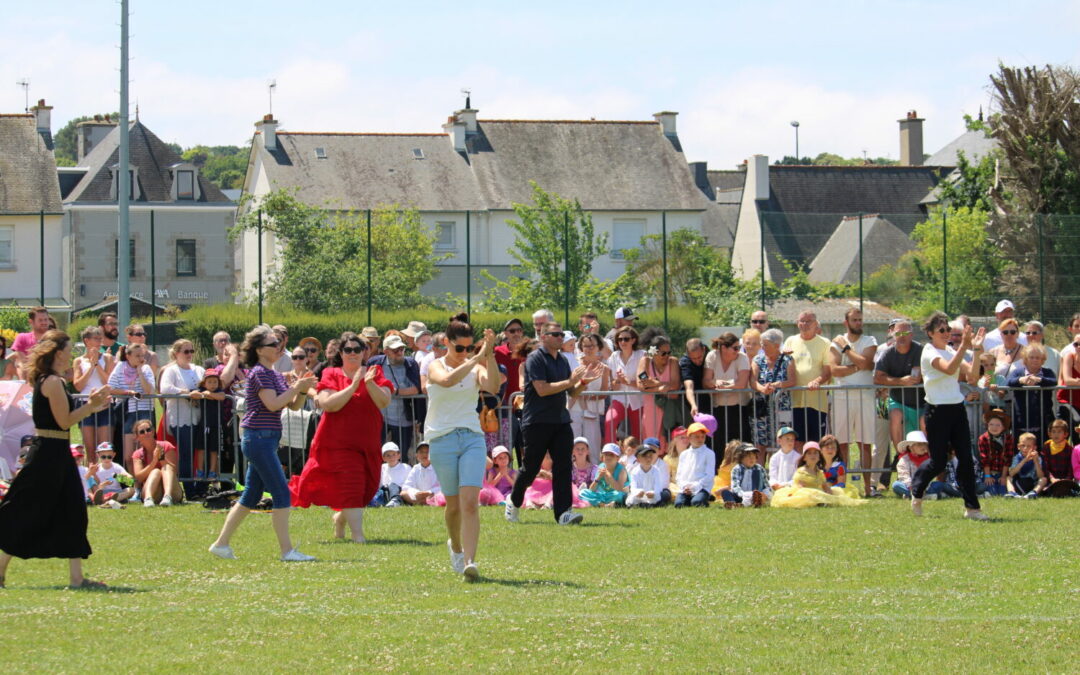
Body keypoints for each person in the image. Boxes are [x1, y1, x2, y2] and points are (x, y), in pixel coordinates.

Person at [0, 329, 111, 589]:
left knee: (72, 510)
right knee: (29, 511)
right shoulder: (52, 382)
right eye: (69, 349)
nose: (71, 353)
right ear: (58, 353)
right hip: (48, 454)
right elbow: (64, 421)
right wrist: (91, 405)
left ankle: (77, 578)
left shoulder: (52, 380)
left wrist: (92, 404)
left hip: (56, 452)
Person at [209, 325, 318, 562]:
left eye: (279, 342)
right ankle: (287, 551)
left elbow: (293, 406)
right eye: (273, 344)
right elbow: (273, 404)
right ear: (259, 350)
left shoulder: (274, 374)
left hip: (265, 439)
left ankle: (221, 544)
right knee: (281, 493)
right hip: (258, 438)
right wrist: (296, 387)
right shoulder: (259, 373)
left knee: (251, 495)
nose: (279, 347)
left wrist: (302, 390)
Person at [289, 332, 392, 541]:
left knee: (365, 488)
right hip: (337, 442)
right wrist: (353, 386)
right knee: (352, 485)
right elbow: (328, 404)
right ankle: (358, 536)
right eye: (348, 350)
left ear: (364, 352)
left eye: (357, 349)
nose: (353, 353)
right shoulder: (331, 373)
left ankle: (340, 519)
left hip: (367, 442)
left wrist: (369, 383)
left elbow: (384, 402)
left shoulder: (375, 372)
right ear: (341, 353)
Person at [423, 314, 499, 579]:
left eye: (469, 347)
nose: (464, 352)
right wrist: (476, 359)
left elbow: (493, 386)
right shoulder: (434, 365)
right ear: (446, 342)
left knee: (470, 503)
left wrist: (489, 354)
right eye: (459, 347)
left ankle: (470, 561)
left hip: (471, 437)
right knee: (453, 506)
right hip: (441, 439)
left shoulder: (475, 365)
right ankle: (455, 546)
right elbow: (446, 381)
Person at [506, 321, 600, 525]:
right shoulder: (535, 358)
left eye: (561, 335)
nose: (560, 338)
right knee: (530, 469)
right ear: (544, 337)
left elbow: (571, 392)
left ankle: (563, 513)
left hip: (561, 421)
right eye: (556, 335)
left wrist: (583, 382)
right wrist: (570, 381)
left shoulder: (563, 360)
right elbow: (542, 389)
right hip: (537, 421)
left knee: (563, 466)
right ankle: (514, 501)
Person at [909, 313, 988, 520]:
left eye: (948, 330)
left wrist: (975, 350)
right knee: (938, 462)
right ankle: (917, 490)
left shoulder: (951, 350)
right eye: (942, 330)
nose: (946, 334)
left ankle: (972, 508)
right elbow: (950, 368)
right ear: (930, 333)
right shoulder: (929, 352)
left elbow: (972, 376)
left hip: (956, 409)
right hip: (937, 411)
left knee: (966, 459)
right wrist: (964, 346)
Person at [828, 308, 878, 487]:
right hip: (842, 397)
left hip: (865, 397)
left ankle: (868, 487)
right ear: (846, 322)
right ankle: (843, 485)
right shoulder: (836, 342)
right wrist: (858, 366)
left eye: (860, 320)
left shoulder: (869, 340)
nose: (858, 323)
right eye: (854, 320)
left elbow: (866, 363)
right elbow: (834, 370)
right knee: (842, 444)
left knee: (865, 444)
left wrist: (847, 349)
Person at [873, 319, 924, 487]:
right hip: (897, 401)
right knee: (895, 416)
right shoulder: (887, 353)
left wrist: (919, 378)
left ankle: (927, 459)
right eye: (898, 333)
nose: (901, 337)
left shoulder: (920, 350)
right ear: (892, 334)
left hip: (921, 402)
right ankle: (901, 454)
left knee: (925, 423)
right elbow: (877, 378)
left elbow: (922, 375)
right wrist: (900, 381)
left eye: (905, 333)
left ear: (912, 334)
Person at [158, 339, 206, 498]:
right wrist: (187, 393)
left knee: (202, 453)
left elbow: (207, 386)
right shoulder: (171, 370)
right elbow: (165, 388)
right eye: (186, 351)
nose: (189, 354)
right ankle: (189, 490)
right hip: (180, 418)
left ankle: (201, 488)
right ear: (176, 353)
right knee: (186, 454)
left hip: (199, 417)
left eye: (191, 351)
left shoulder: (198, 369)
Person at [368, 333, 423, 464]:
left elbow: (416, 389)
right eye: (395, 350)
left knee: (401, 455)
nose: (400, 352)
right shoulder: (375, 362)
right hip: (379, 418)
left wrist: (395, 391)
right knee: (377, 453)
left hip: (403, 418)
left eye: (402, 349)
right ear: (386, 351)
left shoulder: (410, 363)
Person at [783, 311, 832, 448]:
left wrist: (817, 381)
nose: (804, 324)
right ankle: (799, 463)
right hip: (795, 402)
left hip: (816, 402)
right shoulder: (790, 341)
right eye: (802, 321)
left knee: (815, 443)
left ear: (816, 324)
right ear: (797, 323)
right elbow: (783, 365)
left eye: (808, 321)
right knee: (796, 442)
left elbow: (828, 372)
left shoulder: (825, 343)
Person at [106, 343, 156, 469]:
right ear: (128, 356)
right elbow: (110, 388)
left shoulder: (146, 369)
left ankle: (145, 478)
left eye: (142, 355)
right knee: (129, 456)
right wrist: (128, 392)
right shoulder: (120, 367)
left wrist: (140, 372)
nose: (140, 358)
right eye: (137, 356)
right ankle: (134, 480)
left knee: (144, 452)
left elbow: (148, 390)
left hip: (144, 411)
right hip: (127, 412)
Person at [771, 442, 863, 508]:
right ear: (804, 457)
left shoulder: (819, 472)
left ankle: (823, 501)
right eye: (809, 453)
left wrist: (830, 494)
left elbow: (825, 486)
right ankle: (819, 502)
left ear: (819, 456)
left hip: (817, 492)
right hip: (803, 494)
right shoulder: (801, 472)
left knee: (832, 492)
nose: (813, 456)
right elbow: (800, 488)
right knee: (810, 494)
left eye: (815, 453)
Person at [749, 328, 795, 458]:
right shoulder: (758, 360)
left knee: (782, 440)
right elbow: (752, 380)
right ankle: (760, 468)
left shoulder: (788, 360)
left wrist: (777, 385)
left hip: (782, 407)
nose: (762, 347)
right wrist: (762, 389)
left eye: (766, 345)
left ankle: (779, 468)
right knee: (760, 443)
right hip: (761, 408)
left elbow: (792, 380)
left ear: (776, 345)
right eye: (762, 344)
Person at [73, 326, 116, 462]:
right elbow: (78, 385)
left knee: (104, 448)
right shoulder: (78, 361)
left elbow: (108, 381)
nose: (99, 342)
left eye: (100, 339)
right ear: (87, 341)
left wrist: (97, 364)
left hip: (104, 403)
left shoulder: (107, 358)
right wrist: (90, 367)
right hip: (86, 404)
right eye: (96, 339)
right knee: (90, 449)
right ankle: (91, 473)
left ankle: (107, 473)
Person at [704, 332, 751, 455]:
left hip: (739, 408)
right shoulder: (712, 356)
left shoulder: (742, 357)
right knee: (718, 445)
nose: (738, 350)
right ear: (724, 348)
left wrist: (722, 385)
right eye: (735, 348)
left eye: (739, 347)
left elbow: (742, 383)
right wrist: (715, 383)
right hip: (718, 408)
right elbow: (706, 381)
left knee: (740, 445)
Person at [1007, 344, 1056, 447]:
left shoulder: (1048, 372)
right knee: (1022, 447)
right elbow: (1009, 382)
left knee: (1043, 446)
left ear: (1042, 360)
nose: (1035, 360)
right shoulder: (1018, 372)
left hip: (1043, 418)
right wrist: (1021, 380)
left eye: (1038, 358)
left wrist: (1039, 380)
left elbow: (1054, 381)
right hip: (1021, 418)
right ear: (1025, 359)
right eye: (1031, 357)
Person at [637, 335, 682, 445]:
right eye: (663, 353)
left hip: (670, 408)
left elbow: (675, 385)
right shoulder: (645, 361)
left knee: (669, 442)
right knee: (651, 443)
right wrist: (661, 388)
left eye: (669, 352)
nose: (667, 356)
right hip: (651, 409)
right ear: (654, 352)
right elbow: (642, 384)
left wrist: (655, 383)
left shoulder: (673, 362)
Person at [605, 326, 645, 443]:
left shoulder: (642, 355)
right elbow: (613, 386)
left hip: (638, 400)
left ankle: (638, 454)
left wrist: (627, 381)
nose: (623, 342)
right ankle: (610, 451)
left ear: (633, 340)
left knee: (638, 434)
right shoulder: (614, 356)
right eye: (620, 339)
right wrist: (618, 381)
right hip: (619, 399)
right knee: (609, 421)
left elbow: (644, 381)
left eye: (626, 339)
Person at [572, 334, 610, 461]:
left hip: (593, 411)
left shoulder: (604, 368)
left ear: (598, 346)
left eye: (592, 345)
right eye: (586, 346)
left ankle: (594, 471)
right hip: (575, 409)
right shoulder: (575, 364)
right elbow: (570, 389)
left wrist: (588, 396)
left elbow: (604, 393)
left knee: (593, 447)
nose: (589, 349)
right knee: (573, 444)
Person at [493, 318, 527, 458]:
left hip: (527, 407)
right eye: (512, 331)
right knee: (506, 448)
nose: (516, 333)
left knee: (527, 448)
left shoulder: (530, 351)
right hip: (504, 408)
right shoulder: (497, 352)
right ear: (505, 333)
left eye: (519, 330)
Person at [131, 418, 182, 507]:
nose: (146, 433)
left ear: (153, 431)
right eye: (142, 432)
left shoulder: (166, 445)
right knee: (155, 471)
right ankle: (148, 499)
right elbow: (139, 478)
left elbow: (175, 470)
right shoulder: (137, 454)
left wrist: (161, 458)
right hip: (152, 493)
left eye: (148, 430)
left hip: (173, 491)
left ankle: (167, 497)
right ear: (137, 437)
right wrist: (154, 461)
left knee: (167, 467)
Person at [890, 430, 944, 498]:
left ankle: (912, 496)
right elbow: (904, 476)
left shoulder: (928, 459)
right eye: (919, 444)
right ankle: (925, 496)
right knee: (896, 485)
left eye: (924, 444)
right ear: (910, 447)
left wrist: (923, 486)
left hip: (925, 486)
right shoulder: (904, 460)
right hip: (909, 486)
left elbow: (928, 476)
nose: (923, 447)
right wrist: (912, 487)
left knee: (939, 484)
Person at [673, 422, 715, 507]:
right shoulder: (684, 454)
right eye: (697, 437)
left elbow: (709, 475)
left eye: (702, 437)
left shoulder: (709, 453)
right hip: (686, 488)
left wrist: (695, 486)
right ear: (689, 438)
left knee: (696, 502)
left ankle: (704, 497)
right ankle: (696, 498)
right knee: (679, 504)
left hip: (702, 487)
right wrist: (684, 486)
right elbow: (679, 475)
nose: (700, 439)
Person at [977, 409, 1015, 497]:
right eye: (991, 424)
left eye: (998, 425)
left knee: (1003, 493)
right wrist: (987, 476)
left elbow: (1008, 458)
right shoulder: (983, 438)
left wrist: (1004, 476)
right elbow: (984, 458)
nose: (994, 427)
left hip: (1002, 472)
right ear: (987, 425)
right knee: (993, 493)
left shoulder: (1008, 438)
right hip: (989, 472)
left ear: (1003, 427)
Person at [1041, 419, 1079, 497]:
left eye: (1059, 432)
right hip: (1051, 479)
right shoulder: (1046, 447)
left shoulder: (1069, 449)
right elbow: (1045, 466)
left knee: (1064, 488)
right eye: (1053, 432)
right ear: (1049, 434)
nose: (1056, 434)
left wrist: (1067, 479)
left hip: (1065, 479)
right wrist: (1052, 478)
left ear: (1065, 434)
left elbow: (1070, 467)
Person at [11, 306, 51, 379]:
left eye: (46, 319)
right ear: (31, 322)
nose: (44, 322)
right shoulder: (22, 338)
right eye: (40, 320)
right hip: (29, 380)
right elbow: (23, 363)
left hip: (50, 380)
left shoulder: (54, 339)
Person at [1007, 433, 1047, 498]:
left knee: (1044, 479)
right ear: (1018, 446)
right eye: (1023, 445)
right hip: (1020, 482)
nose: (1025, 448)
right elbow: (1011, 473)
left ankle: (1033, 493)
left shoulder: (1038, 458)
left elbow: (1040, 476)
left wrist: (1036, 461)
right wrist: (1025, 460)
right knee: (1008, 478)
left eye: (1029, 446)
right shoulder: (1017, 458)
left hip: (1033, 483)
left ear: (1034, 447)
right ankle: (1012, 493)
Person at [680, 338, 711, 420]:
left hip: (711, 403)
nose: (697, 361)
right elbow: (689, 387)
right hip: (691, 405)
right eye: (693, 358)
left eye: (699, 357)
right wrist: (693, 405)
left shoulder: (711, 356)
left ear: (703, 350)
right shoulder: (685, 362)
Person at [373, 442, 410, 507]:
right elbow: (379, 484)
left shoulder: (406, 467)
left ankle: (395, 501)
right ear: (383, 458)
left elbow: (409, 484)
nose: (391, 457)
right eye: (388, 455)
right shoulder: (382, 468)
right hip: (385, 492)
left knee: (393, 485)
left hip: (400, 493)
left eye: (394, 454)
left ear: (399, 455)